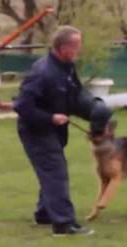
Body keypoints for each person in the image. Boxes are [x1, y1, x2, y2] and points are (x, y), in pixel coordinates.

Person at [14, 25, 112, 236]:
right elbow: (22, 106)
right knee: (56, 171)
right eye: (76, 47)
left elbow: (75, 94)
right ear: (63, 47)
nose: (79, 51)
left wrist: (95, 109)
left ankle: (45, 214)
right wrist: (50, 117)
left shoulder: (66, 66)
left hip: (55, 129)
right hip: (36, 130)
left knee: (51, 171)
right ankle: (64, 224)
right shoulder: (42, 72)